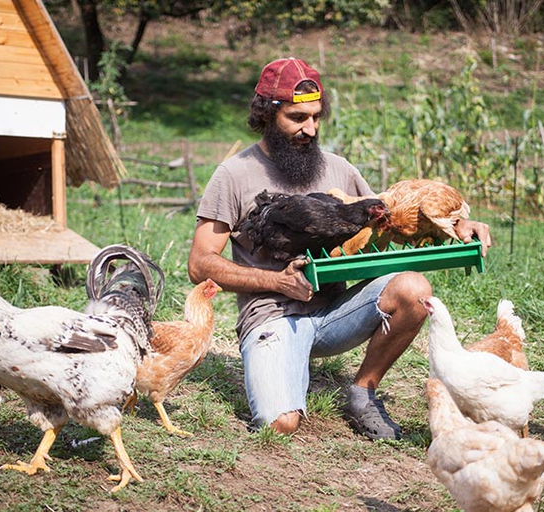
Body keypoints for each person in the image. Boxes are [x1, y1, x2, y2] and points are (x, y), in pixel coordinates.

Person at [188, 57, 492, 440]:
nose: (310, 129)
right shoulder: (234, 175)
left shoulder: (338, 168)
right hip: (272, 315)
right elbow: (200, 264)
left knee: (415, 291)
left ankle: (363, 393)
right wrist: (276, 281)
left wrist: (457, 224)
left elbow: (392, 219)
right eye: (297, 118)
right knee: (281, 425)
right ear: (267, 114)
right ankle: (286, 366)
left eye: (316, 117)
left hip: (336, 311)